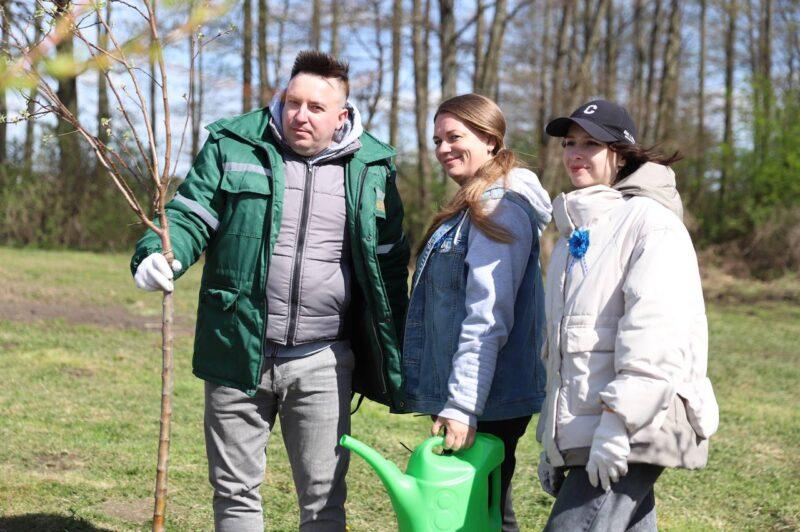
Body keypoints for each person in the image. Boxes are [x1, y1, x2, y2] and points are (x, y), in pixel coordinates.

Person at [130, 51, 409, 531]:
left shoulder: (373, 168)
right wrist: (160, 252)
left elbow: (389, 265)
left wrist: (400, 348)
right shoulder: (235, 144)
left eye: (316, 108)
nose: (300, 115)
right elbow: (191, 213)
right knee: (235, 492)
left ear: (342, 116)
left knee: (324, 502)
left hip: (324, 359)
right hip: (238, 348)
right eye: (292, 102)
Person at [536, 99, 720, 530]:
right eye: (569, 143)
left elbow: (655, 334)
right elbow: (563, 349)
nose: (575, 153)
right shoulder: (573, 234)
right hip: (593, 425)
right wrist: (551, 442)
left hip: (634, 421)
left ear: (620, 154)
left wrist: (618, 425)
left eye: (591, 144)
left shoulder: (650, 223)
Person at [401, 93, 552, 532]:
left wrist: (463, 405)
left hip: (489, 398)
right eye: (437, 140)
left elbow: (488, 316)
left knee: (480, 517)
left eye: (454, 137)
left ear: (489, 139)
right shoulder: (477, 202)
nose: (443, 149)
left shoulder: (497, 205)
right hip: (479, 393)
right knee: (485, 512)